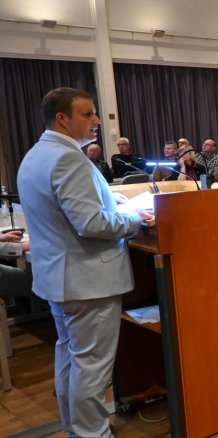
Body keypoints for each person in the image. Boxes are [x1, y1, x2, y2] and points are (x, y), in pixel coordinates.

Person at [17, 87, 152, 437]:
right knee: (91, 367)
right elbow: (91, 224)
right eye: (88, 113)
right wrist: (135, 219)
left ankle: (76, 430)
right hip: (88, 280)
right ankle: (93, 433)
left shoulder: (36, 154)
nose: (96, 120)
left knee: (71, 360)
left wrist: (110, 201)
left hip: (59, 278)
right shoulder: (68, 159)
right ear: (63, 119)